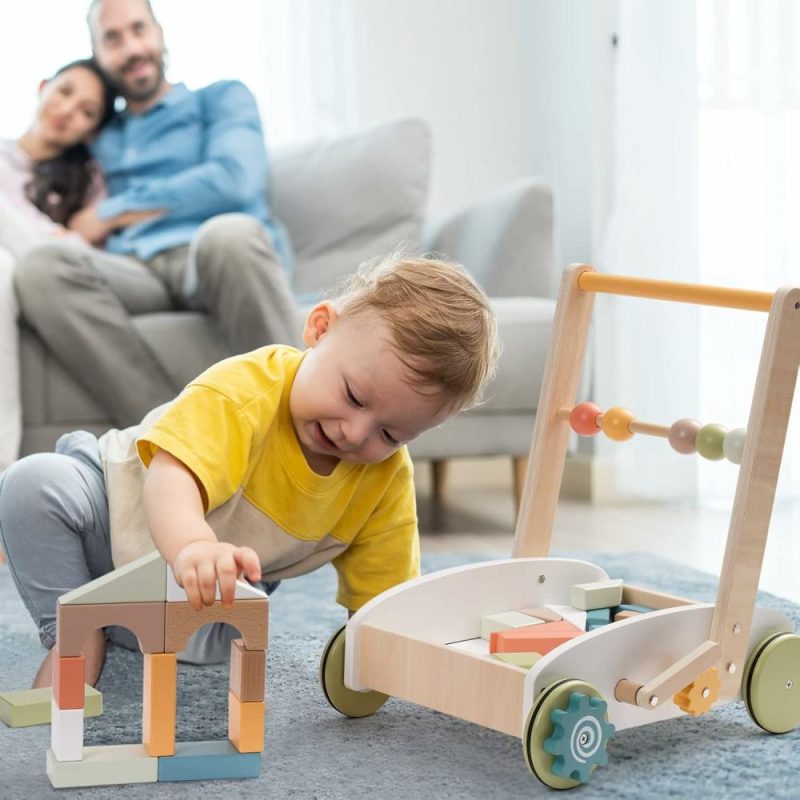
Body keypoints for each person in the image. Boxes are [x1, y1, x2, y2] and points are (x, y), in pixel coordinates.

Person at [0, 253, 499, 689]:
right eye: (353, 396)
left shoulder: (384, 477)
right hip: (110, 514)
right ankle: (75, 634)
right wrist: (194, 546)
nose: (355, 432)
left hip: (201, 593)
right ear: (320, 330)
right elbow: (171, 477)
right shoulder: (246, 390)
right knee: (34, 484)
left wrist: (389, 658)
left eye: (390, 434)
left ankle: (126, 622)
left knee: (217, 643)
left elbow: (382, 595)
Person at [13, 0, 298, 432]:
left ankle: (293, 435)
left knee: (230, 235)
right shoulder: (99, 133)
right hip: (134, 268)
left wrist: (110, 212)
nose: (131, 48)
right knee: (41, 267)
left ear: (160, 33)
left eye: (138, 30)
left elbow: (235, 180)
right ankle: (176, 437)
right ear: (98, 53)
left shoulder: (220, 98)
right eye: (113, 38)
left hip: (209, 254)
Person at [0, 58, 121, 472]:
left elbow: (77, 255)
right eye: (66, 92)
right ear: (43, 87)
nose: (68, 111)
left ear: (91, 131)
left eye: (87, 112)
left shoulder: (88, 181)